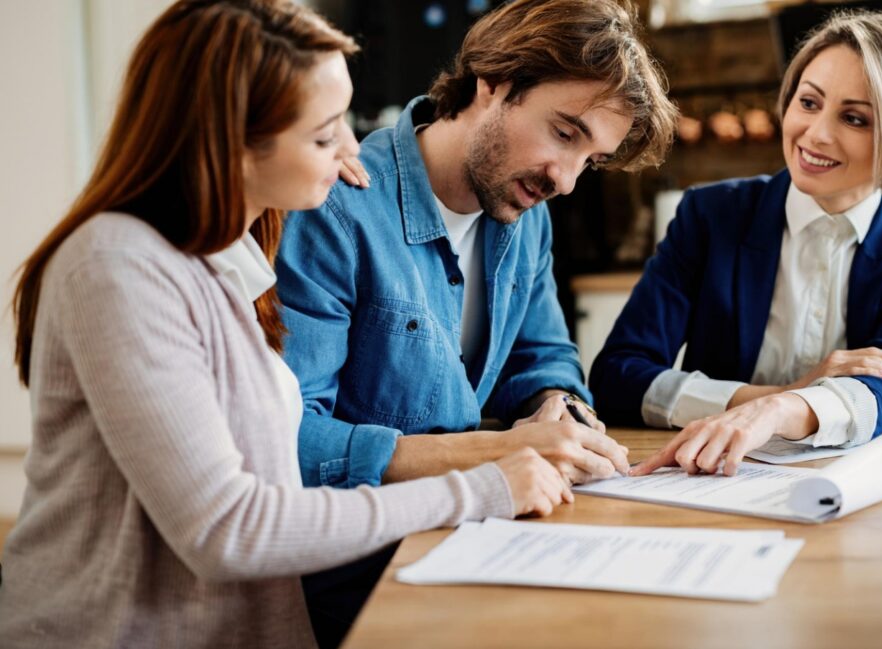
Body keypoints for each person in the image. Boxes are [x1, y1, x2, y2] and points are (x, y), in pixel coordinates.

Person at [0, 2, 570, 647]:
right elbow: (230, 531)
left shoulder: (225, 259)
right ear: (230, 140)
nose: (354, 151)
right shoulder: (118, 268)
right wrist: (479, 489)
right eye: (325, 134)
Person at [276, 0, 676, 494]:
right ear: (493, 83)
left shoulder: (527, 216)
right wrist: (491, 453)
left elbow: (542, 357)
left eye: (590, 160)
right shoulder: (336, 209)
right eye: (564, 133)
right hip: (368, 551)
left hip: (475, 521)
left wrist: (559, 407)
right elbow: (289, 439)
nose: (566, 180)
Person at [590, 10, 882, 478]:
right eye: (808, 103)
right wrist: (772, 397)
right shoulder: (710, 216)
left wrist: (780, 412)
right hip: (707, 476)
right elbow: (617, 378)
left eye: (854, 118)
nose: (815, 134)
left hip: (846, 492)